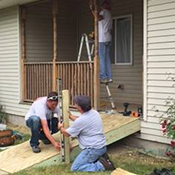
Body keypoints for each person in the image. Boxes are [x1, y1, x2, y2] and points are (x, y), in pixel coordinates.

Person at [58, 95, 115, 172]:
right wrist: (71, 116)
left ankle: (102, 165)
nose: (74, 105)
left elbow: (67, 133)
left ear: (79, 108)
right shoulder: (94, 112)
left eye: (76, 104)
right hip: (101, 146)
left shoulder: (81, 121)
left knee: (75, 168)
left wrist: (60, 128)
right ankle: (101, 158)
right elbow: (83, 121)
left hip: (92, 149)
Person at [91, 1, 113, 83]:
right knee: (107, 58)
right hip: (108, 38)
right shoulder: (110, 13)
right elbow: (109, 28)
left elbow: (98, 18)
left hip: (102, 39)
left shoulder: (103, 12)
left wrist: (93, 10)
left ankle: (103, 76)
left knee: (102, 59)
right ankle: (109, 76)